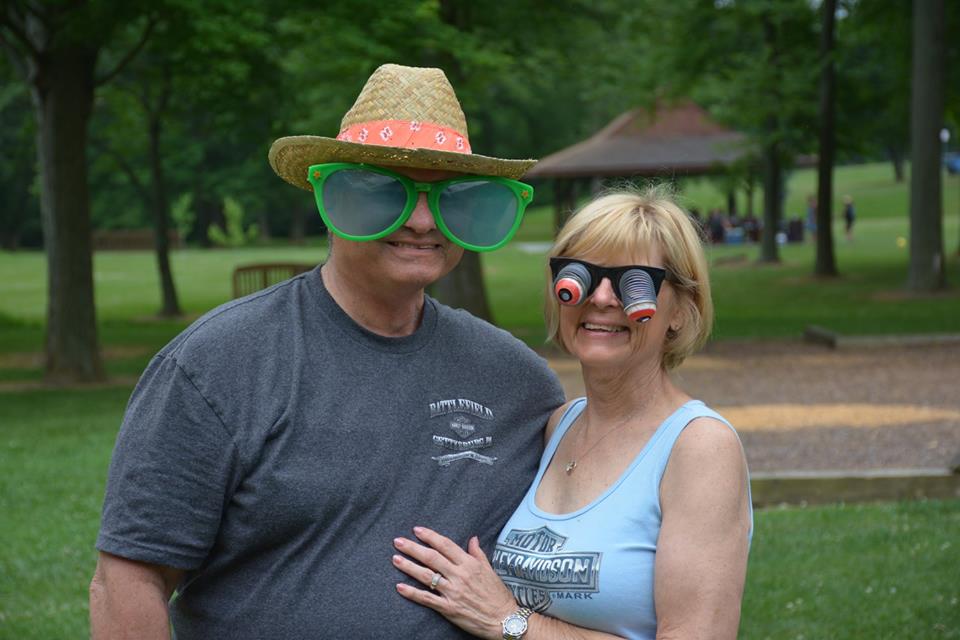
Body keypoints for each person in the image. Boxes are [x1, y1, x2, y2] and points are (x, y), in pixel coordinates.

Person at [89, 63, 565, 639]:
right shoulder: (215, 365)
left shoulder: (518, 382)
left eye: (452, 198)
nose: (422, 221)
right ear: (331, 199)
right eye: (384, 193)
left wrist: (513, 621)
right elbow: (129, 579)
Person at [392, 188, 753, 639]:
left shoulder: (699, 448)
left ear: (680, 308)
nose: (601, 298)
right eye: (580, 276)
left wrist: (509, 621)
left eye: (634, 282)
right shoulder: (557, 426)